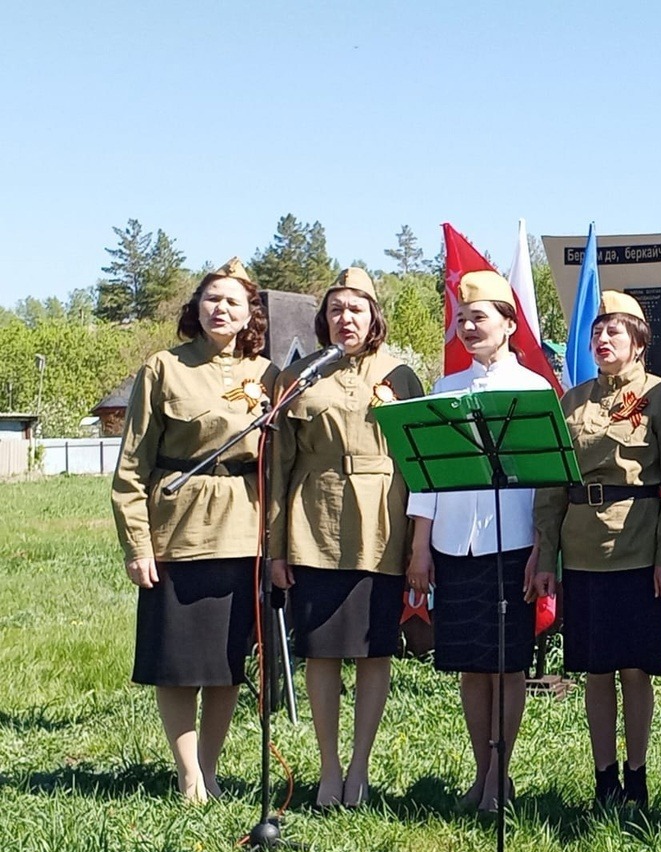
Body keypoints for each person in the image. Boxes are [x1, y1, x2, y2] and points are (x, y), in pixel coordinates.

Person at [111, 257, 278, 803]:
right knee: (178, 663)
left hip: (243, 529)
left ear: (250, 313)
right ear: (196, 307)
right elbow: (132, 466)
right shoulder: (163, 367)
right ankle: (187, 777)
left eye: (233, 301)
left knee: (226, 662)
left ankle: (210, 767)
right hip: (177, 531)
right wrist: (137, 544)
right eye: (211, 298)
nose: (220, 309)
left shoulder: (268, 374)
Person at [269, 266, 424, 809]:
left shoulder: (400, 374)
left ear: (374, 316)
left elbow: (419, 465)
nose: (345, 318)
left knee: (373, 649)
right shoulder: (299, 376)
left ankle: (360, 768)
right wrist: (276, 548)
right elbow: (278, 465)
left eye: (356, 308)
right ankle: (329, 768)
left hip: (382, 523)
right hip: (314, 521)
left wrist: (418, 544)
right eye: (335, 309)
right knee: (322, 650)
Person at [532, 291, 661, 808]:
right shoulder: (571, 401)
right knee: (595, 669)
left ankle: (636, 776)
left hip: (638, 549)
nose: (602, 338)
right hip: (582, 551)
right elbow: (551, 487)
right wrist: (546, 555)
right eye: (597, 331)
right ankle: (604, 779)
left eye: (614, 331)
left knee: (635, 668)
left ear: (639, 343)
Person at [405, 270, 548, 812]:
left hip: (511, 543)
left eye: (478, 317)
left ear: (509, 325)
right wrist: (420, 547)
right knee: (470, 663)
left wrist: (543, 547)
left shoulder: (533, 390)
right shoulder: (445, 389)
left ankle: (500, 777)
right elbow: (427, 479)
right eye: (461, 319)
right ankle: (481, 773)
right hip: (453, 544)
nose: (467, 327)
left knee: (506, 663)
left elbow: (546, 483)